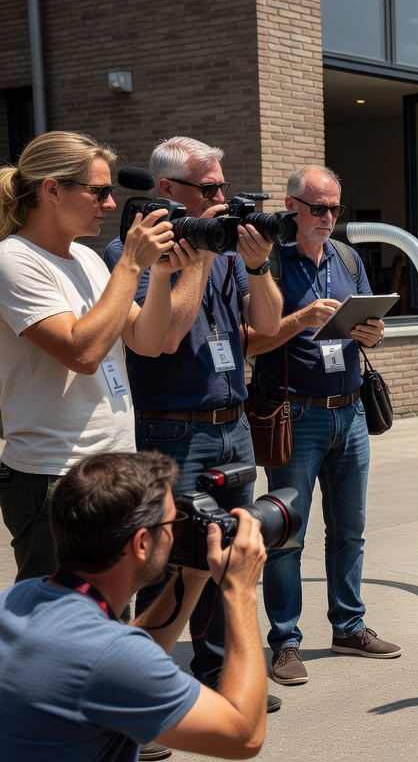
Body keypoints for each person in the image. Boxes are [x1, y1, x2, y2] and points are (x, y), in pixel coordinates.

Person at [100, 136, 283, 703]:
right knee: (171, 558)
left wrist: (256, 266)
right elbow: (169, 336)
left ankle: (222, 670)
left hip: (232, 422)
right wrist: (200, 254)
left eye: (224, 185)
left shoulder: (226, 248)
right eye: (209, 189)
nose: (222, 198)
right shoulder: (129, 252)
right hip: (173, 428)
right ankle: (142, 684)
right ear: (169, 190)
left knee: (230, 552)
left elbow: (267, 327)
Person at [0, 451, 269, 761]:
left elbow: (130, 655)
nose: (176, 532)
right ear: (141, 543)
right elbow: (244, 736)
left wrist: (192, 575)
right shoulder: (108, 658)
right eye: (173, 522)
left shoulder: (20, 598)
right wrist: (240, 590)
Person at [0, 130, 179, 582]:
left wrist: (159, 276)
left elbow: (148, 340)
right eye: (98, 192)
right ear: (52, 190)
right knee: (59, 626)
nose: (110, 204)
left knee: (110, 615)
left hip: (117, 464)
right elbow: (82, 352)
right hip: (55, 476)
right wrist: (131, 266)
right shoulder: (14, 260)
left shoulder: (89, 259)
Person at [246, 165, 401, 686]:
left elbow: (365, 334)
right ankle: (286, 642)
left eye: (336, 207)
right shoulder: (267, 262)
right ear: (292, 206)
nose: (329, 217)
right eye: (319, 208)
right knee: (287, 536)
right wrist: (301, 319)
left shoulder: (348, 258)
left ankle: (348, 626)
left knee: (350, 530)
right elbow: (254, 340)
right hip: (296, 414)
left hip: (350, 410)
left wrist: (372, 333)